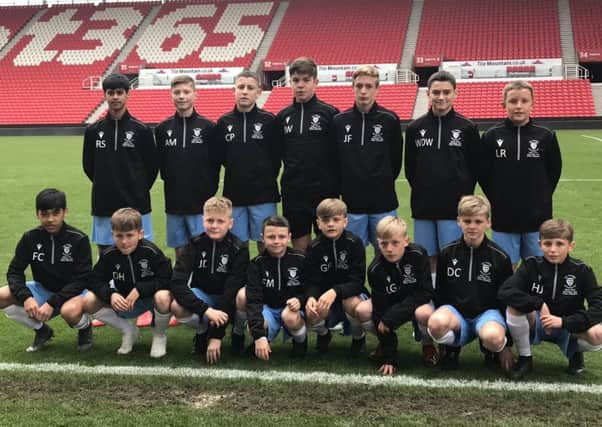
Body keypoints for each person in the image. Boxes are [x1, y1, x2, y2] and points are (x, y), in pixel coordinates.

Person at [499, 219, 602, 380]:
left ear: (571, 246)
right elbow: (505, 291)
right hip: (538, 322)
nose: (553, 250)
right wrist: (539, 304)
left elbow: (599, 306)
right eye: (547, 244)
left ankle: (575, 353)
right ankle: (525, 359)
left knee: (598, 333)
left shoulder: (582, 271)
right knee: (513, 308)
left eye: (559, 244)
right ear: (540, 244)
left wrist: (564, 322)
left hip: (569, 327)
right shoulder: (530, 265)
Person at [422, 195, 514, 371]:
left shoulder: (500, 257)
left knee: (494, 338)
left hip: (487, 314)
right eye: (467, 221)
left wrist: (506, 344)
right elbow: (440, 292)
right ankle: (451, 348)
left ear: (488, 222)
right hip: (457, 314)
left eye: (478, 221)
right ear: (459, 221)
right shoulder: (447, 253)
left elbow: (505, 300)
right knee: (435, 324)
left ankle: (490, 349)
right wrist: (444, 322)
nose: (472, 226)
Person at [404, 71, 480, 282]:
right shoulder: (414, 128)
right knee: (428, 256)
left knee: (453, 256)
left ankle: (453, 297)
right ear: (428, 94)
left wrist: (463, 194)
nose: (441, 97)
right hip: (424, 205)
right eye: (436, 92)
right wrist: (422, 187)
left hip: (454, 207)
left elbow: (475, 168)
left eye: (446, 92)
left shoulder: (467, 128)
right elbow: (410, 168)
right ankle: (433, 297)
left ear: (455, 94)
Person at [479, 80, 562, 269]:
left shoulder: (546, 135)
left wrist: (540, 196)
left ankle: (536, 299)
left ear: (532, 103)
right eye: (513, 101)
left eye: (524, 101)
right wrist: (498, 197)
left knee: (538, 267)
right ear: (504, 104)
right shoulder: (491, 136)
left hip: (537, 217)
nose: (518, 106)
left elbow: (554, 171)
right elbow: (483, 173)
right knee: (506, 267)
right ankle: (508, 299)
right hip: (504, 216)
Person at [0, 189, 92, 352]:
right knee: (1, 296)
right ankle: (42, 330)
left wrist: (52, 303)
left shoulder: (78, 239)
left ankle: (85, 327)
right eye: (45, 214)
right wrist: (27, 297)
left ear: (65, 212)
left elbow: (82, 278)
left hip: (75, 292)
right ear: (37, 214)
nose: (50, 219)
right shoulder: (30, 238)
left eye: (56, 213)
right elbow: (15, 271)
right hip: (44, 288)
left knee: (69, 312)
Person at [83, 74, 158, 254]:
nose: (115, 97)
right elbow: (88, 165)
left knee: (142, 251)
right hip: (103, 202)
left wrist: (137, 187)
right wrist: (104, 184)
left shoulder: (142, 130)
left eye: (119, 92)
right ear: (105, 95)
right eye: (110, 92)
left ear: (127, 94)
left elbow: (152, 167)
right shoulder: (93, 131)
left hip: (136, 203)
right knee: (105, 251)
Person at [83, 208, 172, 358]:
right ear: (112, 235)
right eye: (119, 236)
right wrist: (111, 294)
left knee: (163, 297)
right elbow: (94, 280)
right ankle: (128, 331)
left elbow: (167, 278)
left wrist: (140, 289)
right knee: (88, 301)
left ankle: (159, 335)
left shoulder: (151, 251)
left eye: (129, 235)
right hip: (126, 302)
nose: (124, 242)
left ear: (140, 234)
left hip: (151, 299)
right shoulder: (108, 255)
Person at [331, 65, 403, 250]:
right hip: (351, 204)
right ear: (352, 87)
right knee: (353, 255)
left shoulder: (390, 119)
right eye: (359, 85)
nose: (363, 91)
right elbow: (335, 162)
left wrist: (381, 180)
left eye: (369, 86)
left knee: (388, 253)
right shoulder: (339, 121)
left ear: (377, 88)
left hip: (383, 202)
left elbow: (395, 161)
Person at [170, 197, 249, 363]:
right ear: (202, 220)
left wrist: (217, 337)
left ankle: (238, 333)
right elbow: (177, 282)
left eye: (220, 221)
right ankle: (202, 331)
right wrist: (206, 310)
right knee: (176, 306)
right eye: (210, 220)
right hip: (204, 298)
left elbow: (230, 291)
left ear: (230, 223)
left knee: (243, 296)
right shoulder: (194, 244)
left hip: (230, 303)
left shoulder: (239, 248)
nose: (214, 225)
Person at [276, 57, 339, 251]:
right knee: (299, 246)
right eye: (296, 80)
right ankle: (304, 282)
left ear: (316, 82)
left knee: (326, 244)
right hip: (294, 192)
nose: (300, 85)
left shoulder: (330, 114)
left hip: (324, 191)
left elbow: (338, 155)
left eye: (306, 80)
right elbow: (276, 154)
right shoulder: (283, 116)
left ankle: (325, 282)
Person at [155, 74, 219, 258]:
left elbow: (215, 163)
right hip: (174, 202)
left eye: (186, 92)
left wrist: (208, 190)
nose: (181, 96)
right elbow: (161, 162)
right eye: (177, 92)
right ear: (171, 95)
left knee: (203, 249)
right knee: (180, 249)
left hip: (201, 203)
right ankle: (182, 282)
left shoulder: (208, 127)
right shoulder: (162, 129)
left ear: (195, 94)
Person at [215, 71, 279, 252]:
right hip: (234, 195)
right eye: (240, 87)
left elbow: (276, 157)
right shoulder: (223, 122)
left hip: (264, 195)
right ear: (233, 90)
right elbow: (220, 157)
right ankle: (241, 280)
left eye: (250, 88)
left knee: (266, 243)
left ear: (258, 92)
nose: (244, 91)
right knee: (237, 245)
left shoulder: (269, 121)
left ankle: (265, 280)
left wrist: (263, 175)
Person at [304, 198, 371, 356]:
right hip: (325, 297)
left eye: (336, 219)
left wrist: (335, 291)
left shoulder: (354, 243)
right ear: (318, 223)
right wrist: (311, 297)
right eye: (325, 220)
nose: (331, 224)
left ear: (345, 222)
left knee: (352, 303)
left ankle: (358, 338)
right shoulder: (313, 247)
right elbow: (312, 281)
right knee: (310, 311)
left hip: (350, 294)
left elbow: (357, 281)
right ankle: (323, 334)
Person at [368, 216, 433, 375]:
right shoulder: (375, 270)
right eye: (384, 243)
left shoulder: (418, 254)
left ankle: (428, 346)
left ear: (406, 240)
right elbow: (379, 311)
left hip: (417, 303)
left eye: (395, 243)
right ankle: (384, 346)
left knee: (424, 313)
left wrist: (393, 315)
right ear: (378, 243)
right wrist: (389, 358)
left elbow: (425, 292)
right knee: (363, 312)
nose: (389, 249)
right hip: (391, 305)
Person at [243, 216, 307, 360]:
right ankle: (263, 341)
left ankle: (300, 342)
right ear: (263, 238)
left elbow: (309, 288)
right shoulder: (256, 264)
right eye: (271, 237)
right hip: (268, 308)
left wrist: (299, 299)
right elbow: (253, 300)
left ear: (289, 237)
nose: (277, 241)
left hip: (291, 310)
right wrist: (258, 335)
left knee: (289, 316)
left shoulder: (301, 259)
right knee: (252, 325)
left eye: (281, 236)